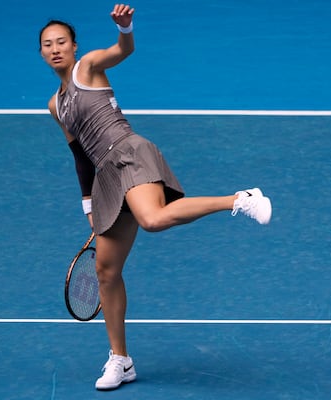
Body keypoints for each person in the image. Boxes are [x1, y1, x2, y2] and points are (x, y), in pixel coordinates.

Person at [39, 4, 272, 391]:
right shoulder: (55, 105)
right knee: (106, 272)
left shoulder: (89, 67)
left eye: (62, 41)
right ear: (42, 53)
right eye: (48, 44)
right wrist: (88, 203)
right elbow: (79, 155)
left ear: (75, 46)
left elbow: (122, 51)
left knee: (152, 219)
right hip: (106, 178)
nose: (55, 48)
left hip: (129, 151)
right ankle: (121, 361)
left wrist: (125, 28)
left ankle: (240, 198)